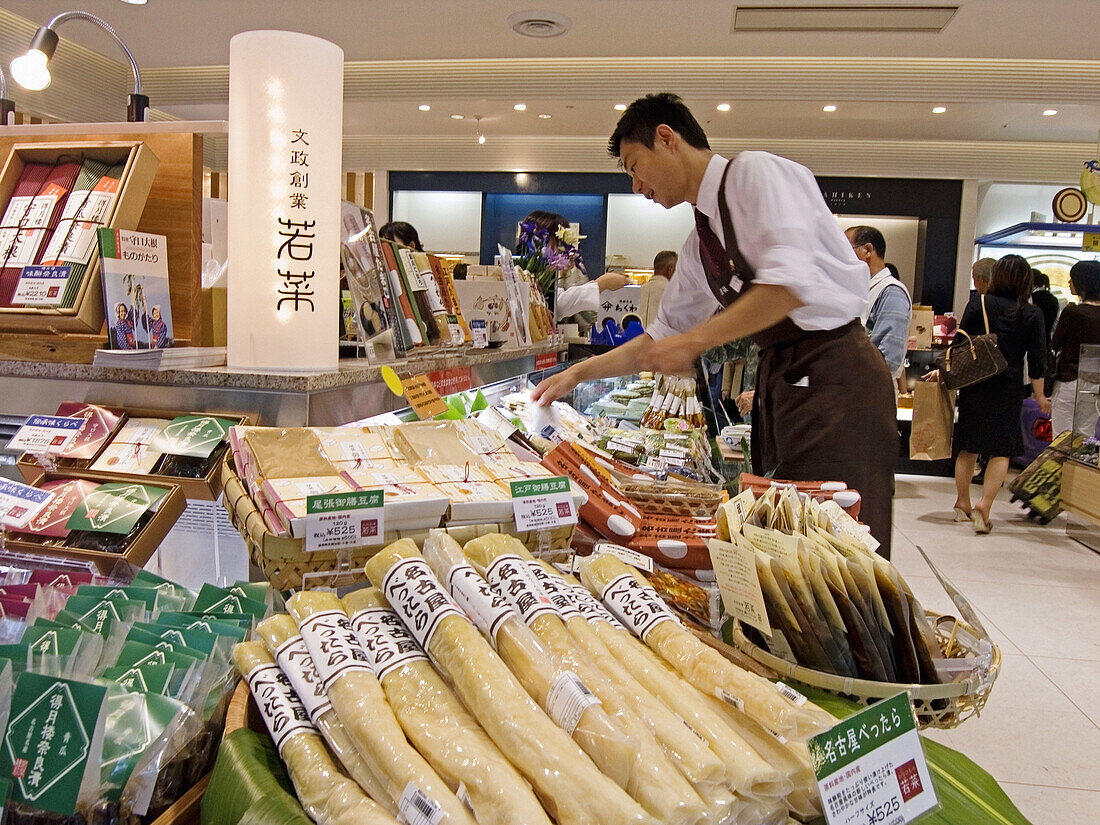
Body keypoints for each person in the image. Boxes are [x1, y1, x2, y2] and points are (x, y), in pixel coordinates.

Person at [532, 92, 898, 557]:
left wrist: (694, 342)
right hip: (785, 383)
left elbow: (787, 284)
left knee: (837, 548)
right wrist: (577, 374)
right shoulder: (699, 244)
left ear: (667, 139)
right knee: (787, 542)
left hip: (835, 377)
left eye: (633, 165)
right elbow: (658, 337)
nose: (635, 185)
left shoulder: (756, 173)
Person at [935, 255, 1049, 534]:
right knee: (1001, 451)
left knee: (969, 446)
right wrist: (1040, 395)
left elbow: (960, 345)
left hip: (976, 383)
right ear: (1025, 281)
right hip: (1009, 387)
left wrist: (943, 373)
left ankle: (962, 502)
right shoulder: (1032, 314)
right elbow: (1037, 361)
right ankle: (984, 505)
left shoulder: (980, 303)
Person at [517, 210, 629, 319]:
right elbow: (558, 305)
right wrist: (602, 283)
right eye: (555, 240)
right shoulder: (521, 273)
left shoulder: (559, 268)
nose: (556, 247)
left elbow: (559, 305)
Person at [845, 225, 913, 383]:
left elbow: (889, 358)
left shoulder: (891, 292)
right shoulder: (864, 289)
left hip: (872, 392)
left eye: (846, 249)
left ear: (867, 250)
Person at [1049, 260, 1100, 435]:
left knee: (1061, 436)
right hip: (1095, 382)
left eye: (1072, 279)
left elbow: (1055, 344)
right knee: (1085, 435)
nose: (1068, 283)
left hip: (1069, 380)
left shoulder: (1073, 312)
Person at [641, 250, 676, 329]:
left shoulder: (642, 288)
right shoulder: (672, 290)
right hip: (662, 340)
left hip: (639, 339)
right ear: (670, 269)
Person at [1030, 269, 1059, 346]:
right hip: (1047, 342)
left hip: (1031, 344)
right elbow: (1055, 324)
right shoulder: (1054, 299)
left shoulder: (1031, 298)